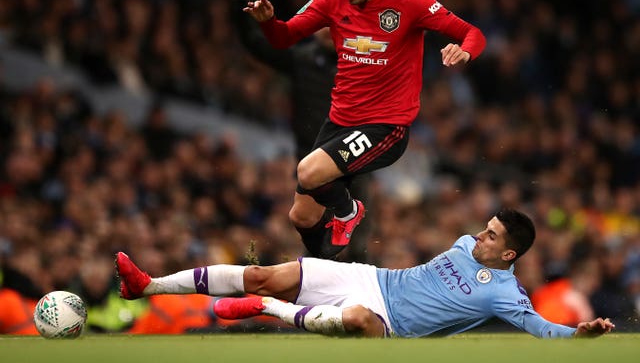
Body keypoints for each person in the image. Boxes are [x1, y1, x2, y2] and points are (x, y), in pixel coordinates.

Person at [241, 0, 486, 258]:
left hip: (385, 127)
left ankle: (347, 212)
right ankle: (325, 266)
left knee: (307, 172)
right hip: (339, 122)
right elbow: (284, 37)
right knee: (301, 215)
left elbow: (472, 33)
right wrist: (269, 22)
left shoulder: (410, 2)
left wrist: (465, 52)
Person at [115, 208, 614, 338]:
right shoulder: (464, 244)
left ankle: (268, 312)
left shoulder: (506, 294)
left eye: (491, 237)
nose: (478, 236)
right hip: (373, 278)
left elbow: (539, 328)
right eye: (484, 229)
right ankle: (149, 285)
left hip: (388, 325)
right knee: (265, 273)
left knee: (356, 321)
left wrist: (579, 333)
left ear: (509, 256)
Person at [233, 0, 371, 261]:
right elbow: (255, 43)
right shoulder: (302, 59)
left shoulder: (364, 62)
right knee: (310, 227)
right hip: (310, 157)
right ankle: (314, 279)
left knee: (354, 235)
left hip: (351, 158)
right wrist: (241, 0)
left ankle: (355, 282)